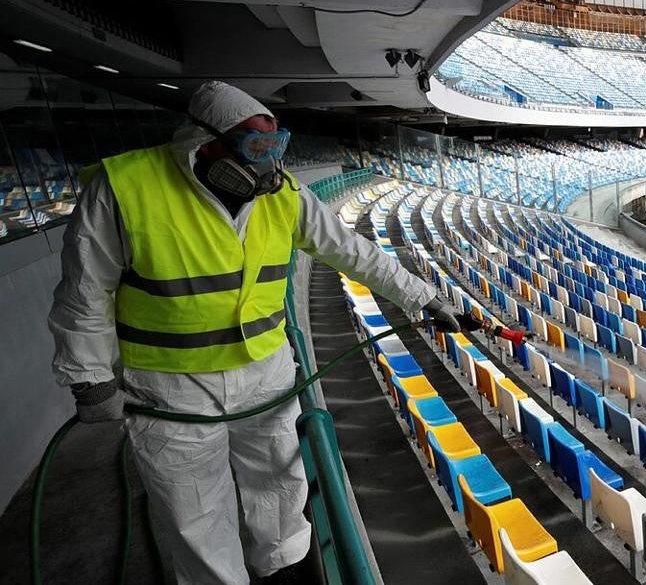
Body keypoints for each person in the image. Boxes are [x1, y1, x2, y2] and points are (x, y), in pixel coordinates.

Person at [48, 81, 460, 584]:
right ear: (205, 143)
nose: (269, 163)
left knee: (281, 494)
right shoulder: (123, 187)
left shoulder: (284, 195)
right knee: (196, 515)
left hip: (266, 377)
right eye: (256, 148)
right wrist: (90, 377)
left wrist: (424, 296)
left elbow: (352, 251)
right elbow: (84, 292)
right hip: (170, 391)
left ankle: (285, 575)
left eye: (276, 146)